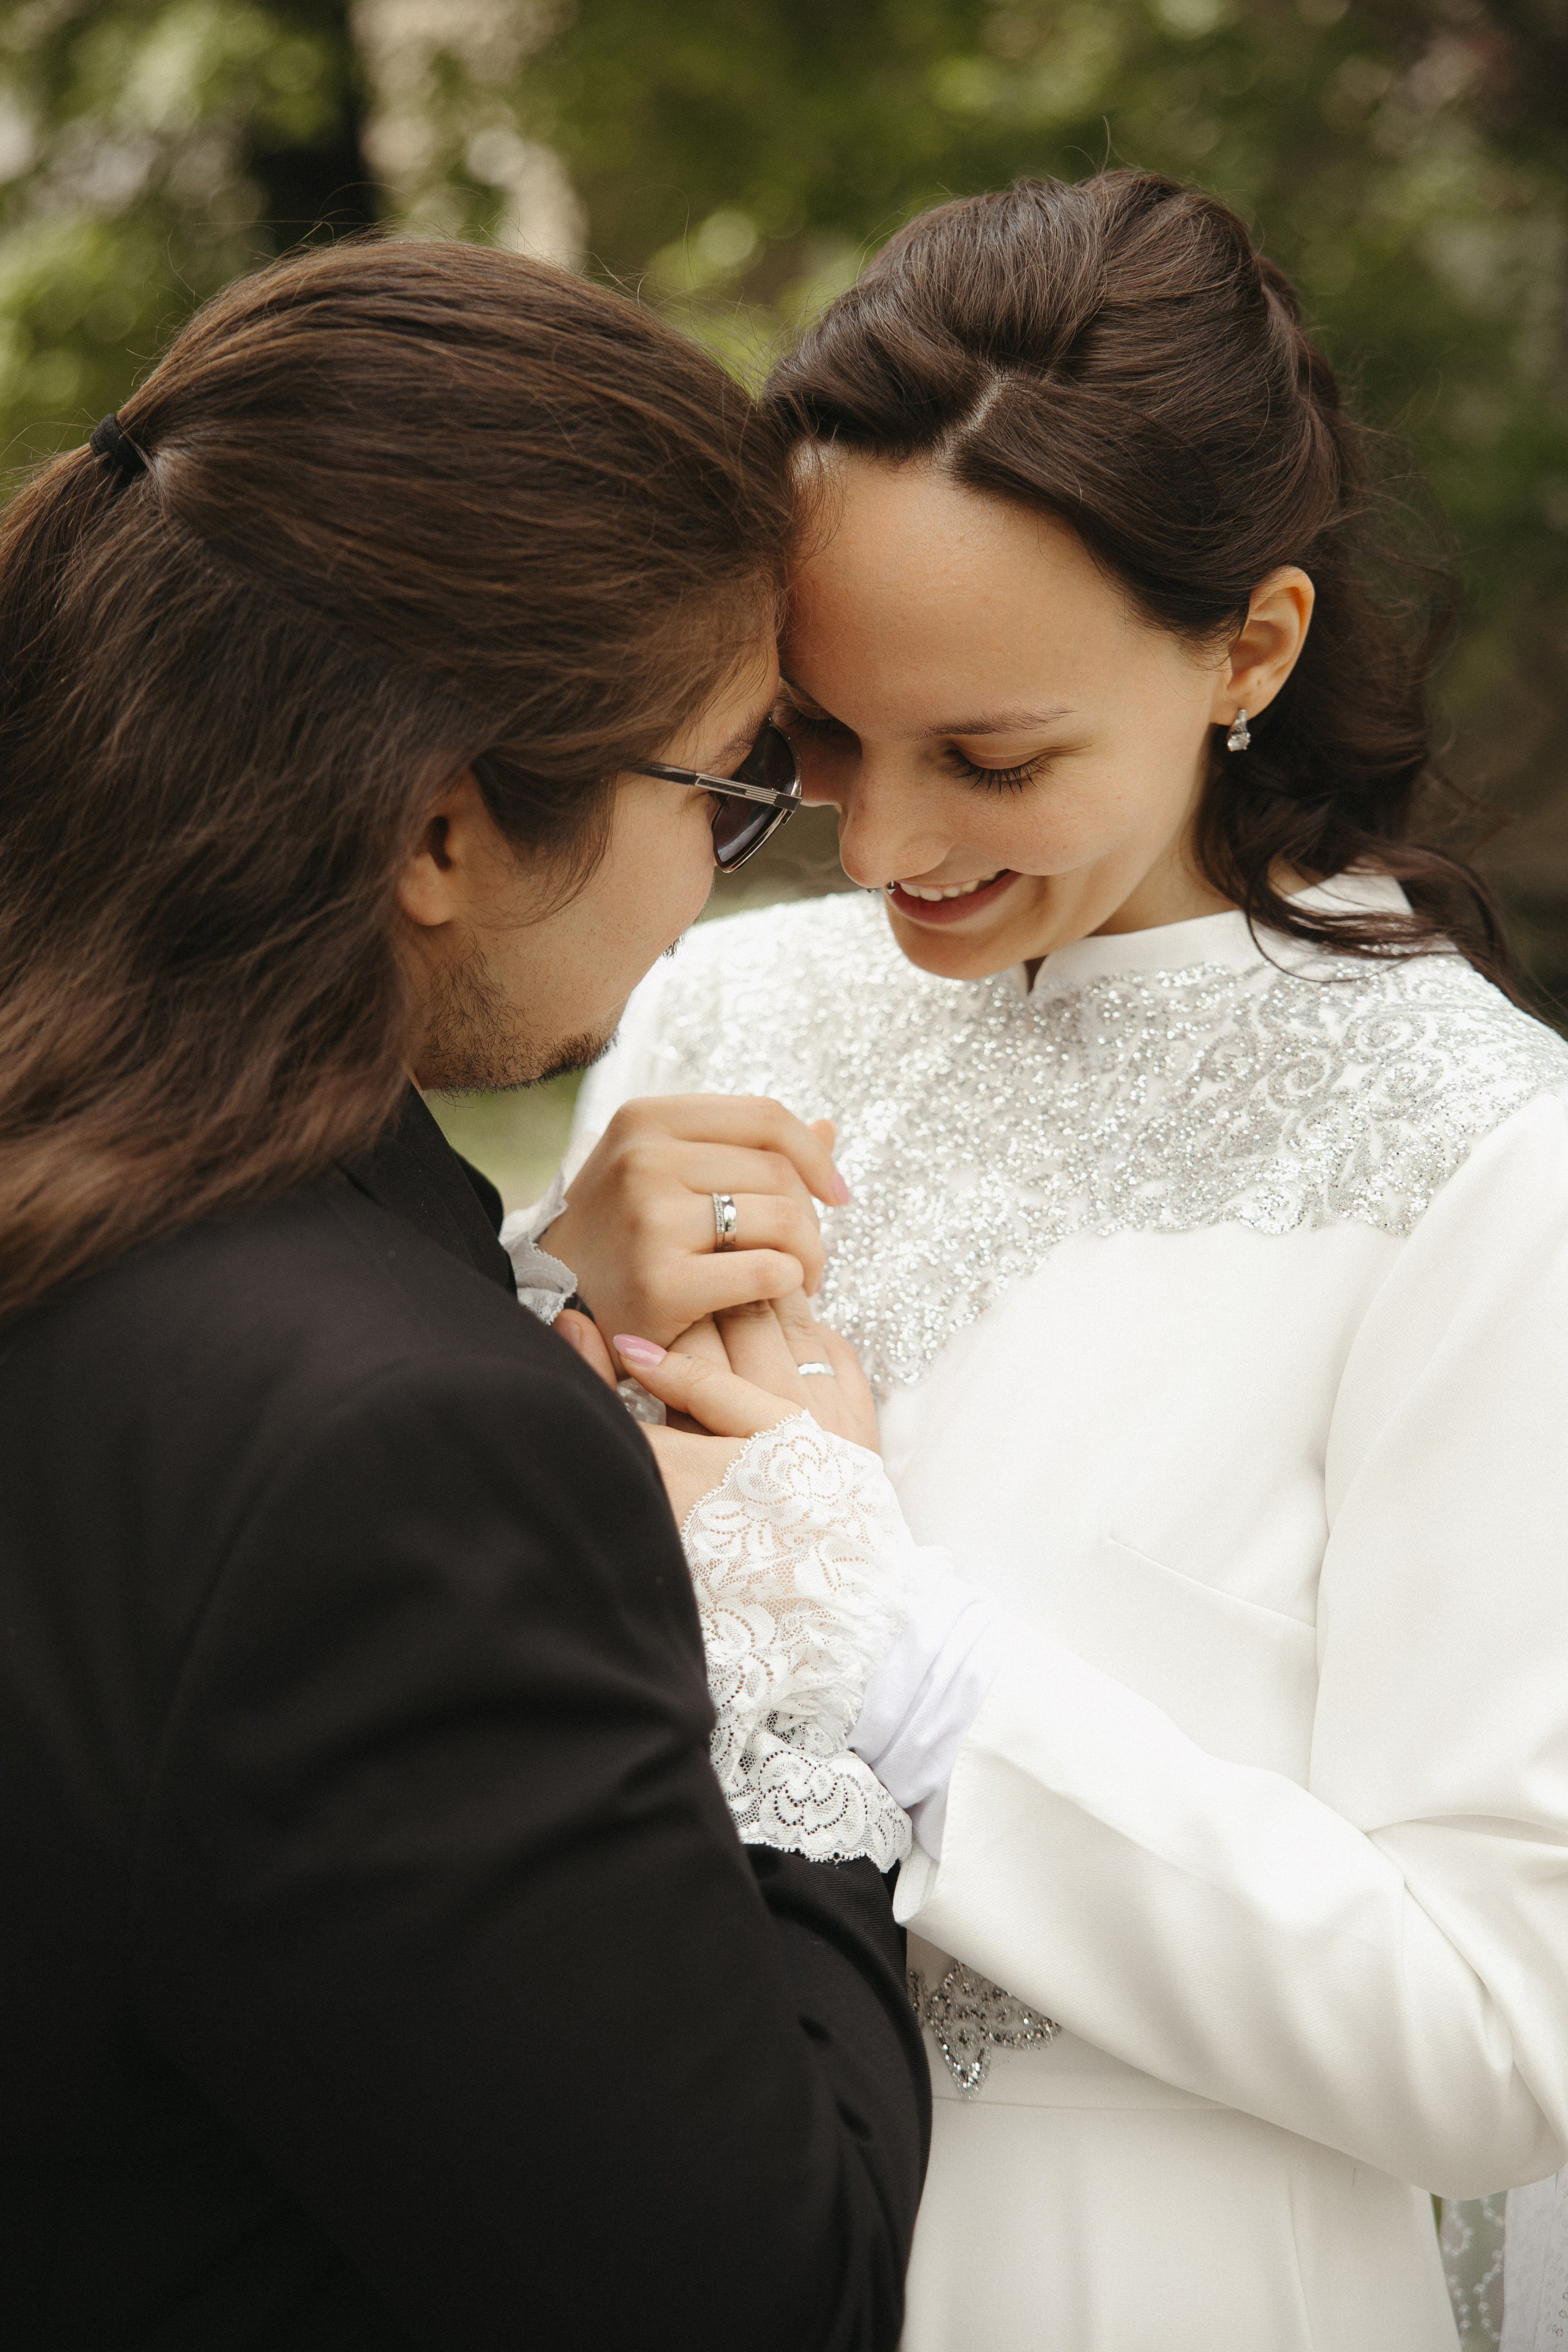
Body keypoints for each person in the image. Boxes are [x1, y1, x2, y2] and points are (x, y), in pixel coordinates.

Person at [551, 172, 1568, 2350]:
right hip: (666, 2213)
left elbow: (1502, 2043)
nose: (885, 844)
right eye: (819, 737)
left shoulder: (1480, 1159)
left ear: (1251, 650)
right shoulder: (718, 1014)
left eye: (991, 758)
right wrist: (555, 1320)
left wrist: (888, 1641)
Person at [0, 238, 932, 2350]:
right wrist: (800, 1613)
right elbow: (757, 2295)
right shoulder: (398, 1453)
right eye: (728, 788)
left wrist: (503, 1292)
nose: (736, 873)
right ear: (439, 830)